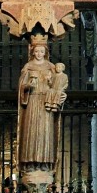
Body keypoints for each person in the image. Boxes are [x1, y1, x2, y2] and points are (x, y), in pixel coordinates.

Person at [17, 40, 66, 170]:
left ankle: (45, 163)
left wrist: (60, 93)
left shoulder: (51, 67)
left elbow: (58, 85)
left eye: (42, 51)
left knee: (45, 133)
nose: (39, 54)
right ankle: (30, 163)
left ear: (46, 53)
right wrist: (28, 85)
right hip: (32, 102)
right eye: (37, 51)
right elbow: (22, 86)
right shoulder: (28, 66)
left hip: (46, 103)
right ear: (33, 52)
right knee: (31, 133)